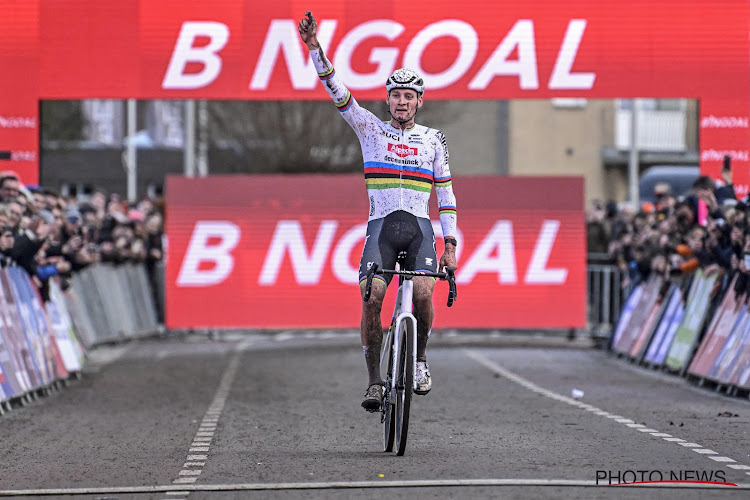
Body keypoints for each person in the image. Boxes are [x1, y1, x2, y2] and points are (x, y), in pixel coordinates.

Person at [298, 11, 459, 412]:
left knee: (423, 292)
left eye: (409, 96)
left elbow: (446, 193)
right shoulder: (371, 128)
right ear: (387, 100)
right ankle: (374, 382)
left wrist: (450, 244)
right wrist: (316, 49)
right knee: (372, 297)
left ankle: (419, 361)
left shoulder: (433, 139)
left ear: (419, 101)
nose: (402, 102)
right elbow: (337, 91)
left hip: (421, 229)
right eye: (396, 96)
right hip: (381, 230)